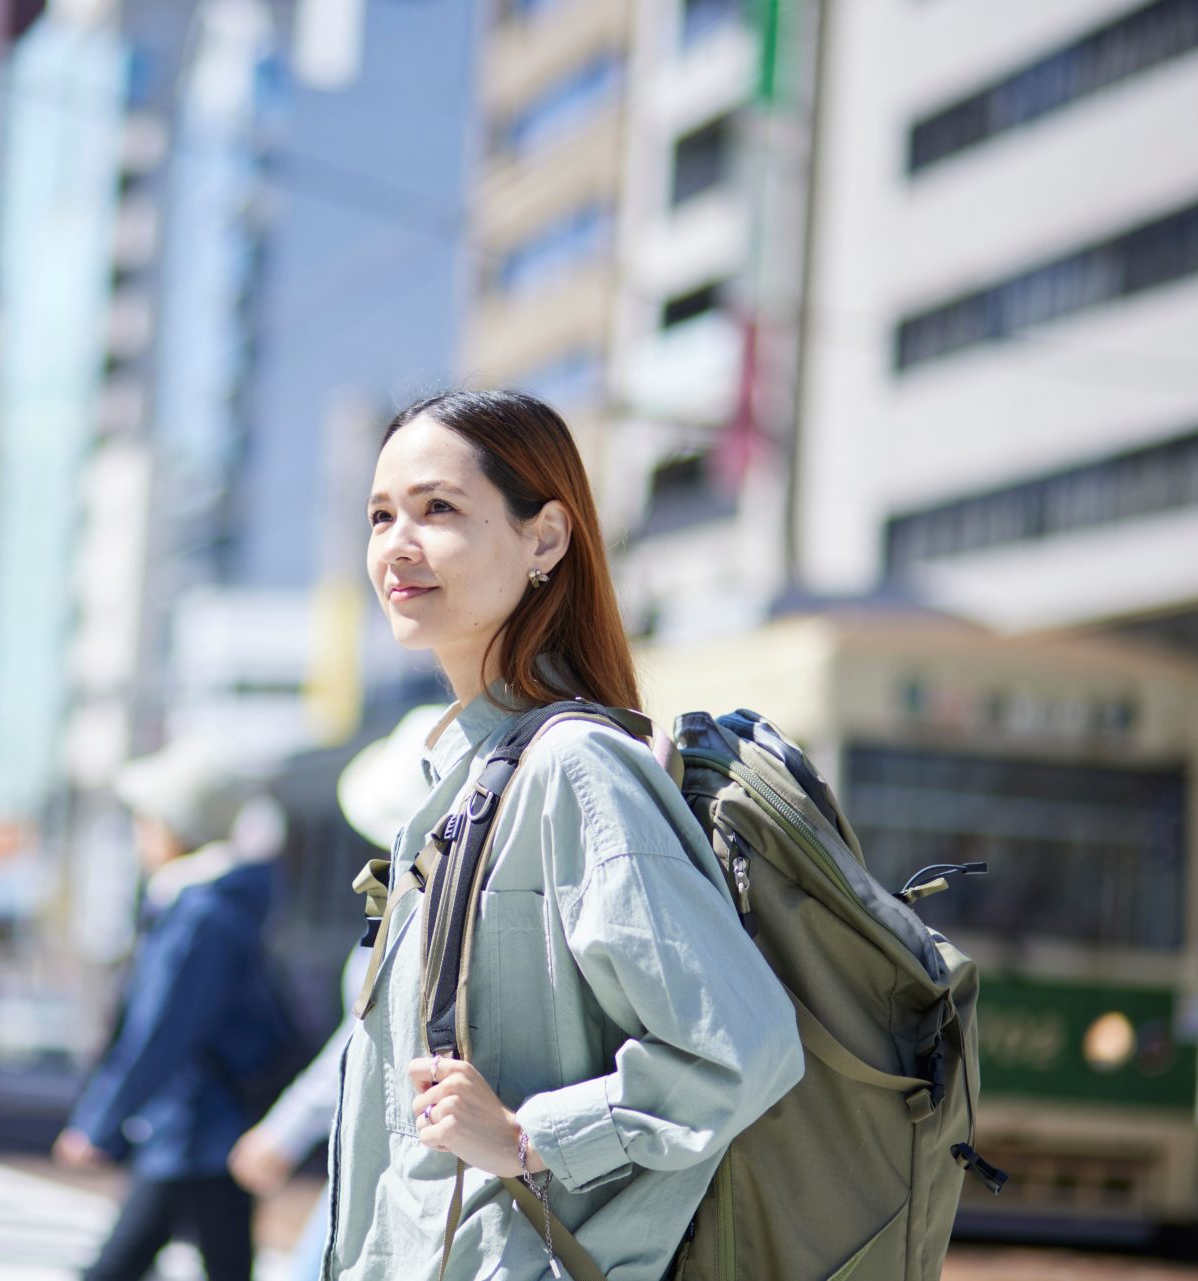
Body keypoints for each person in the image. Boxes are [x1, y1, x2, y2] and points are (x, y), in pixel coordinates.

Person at [323, 390, 805, 1281]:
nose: (397, 543)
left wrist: (524, 1135)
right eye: (381, 514)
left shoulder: (575, 768)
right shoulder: (465, 776)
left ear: (545, 538)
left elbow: (741, 1048)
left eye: (439, 509)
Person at [54, 739, 291, 1281]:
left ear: (170, 827)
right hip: (204, 1124)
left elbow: (161, 1029)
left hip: (191, 1126)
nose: (139, 836)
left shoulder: (197, 914)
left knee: (116, 1267)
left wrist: (99, 1120)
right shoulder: (211, 904)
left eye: (144, 822)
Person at [226, 704, 447, 1281]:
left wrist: (282, 1132)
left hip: (399, 1152)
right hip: (407, 1149)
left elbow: (361, 1043)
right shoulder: (428, 906)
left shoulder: (415, 916)